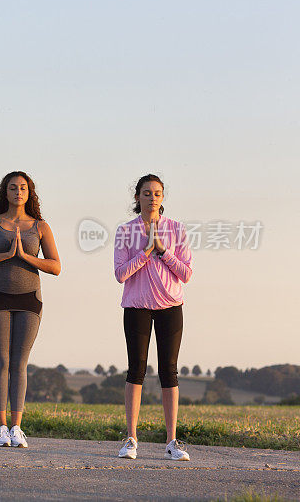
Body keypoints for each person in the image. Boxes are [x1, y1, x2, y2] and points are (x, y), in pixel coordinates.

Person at [0, 171, 61, 448]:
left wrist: (26, 257)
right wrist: (6, 256)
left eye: (22, 188)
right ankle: (1, 428)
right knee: (2, 361)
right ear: (4, 192)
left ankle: (17, 427)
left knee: (20, 363)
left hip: (29, 299)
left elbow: (55, 266)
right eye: (12, 187)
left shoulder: (40, 227)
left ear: (29, 192)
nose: (18, 192)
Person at [114, 174, 193, 461]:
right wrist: (146, 252)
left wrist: (164, 250)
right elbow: (120, 273)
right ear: (137, 197)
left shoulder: (177, 230)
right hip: (136, 306)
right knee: (136, 369)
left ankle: (172, 441)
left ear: (163, 198)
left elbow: (186, 273)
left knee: (168, 371)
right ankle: (131, 439)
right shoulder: (125, 231)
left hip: (170, 306)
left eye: (157, 193)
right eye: (146, 193)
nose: (152, 198)